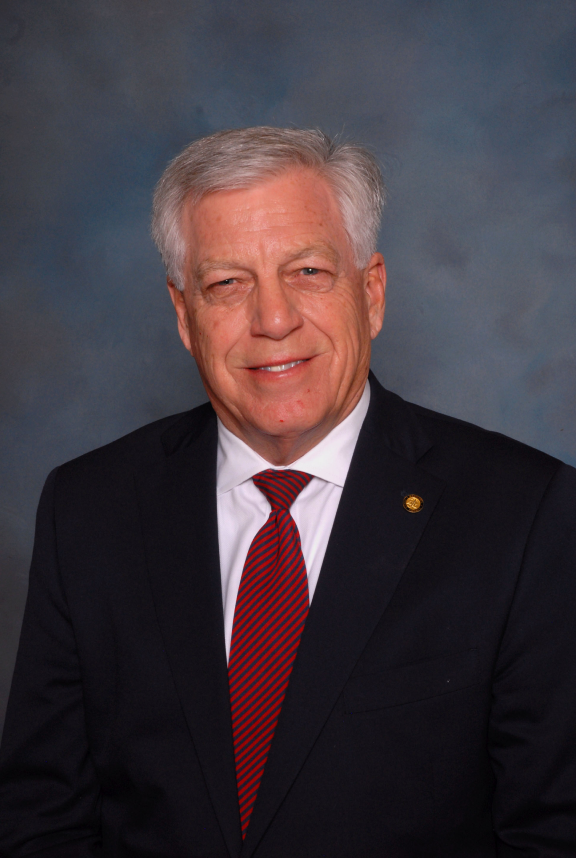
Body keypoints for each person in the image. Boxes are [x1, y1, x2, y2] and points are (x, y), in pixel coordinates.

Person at [0, 127, 575, 858]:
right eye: (227, 283)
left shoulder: (523, 514)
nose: (273, 320)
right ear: (184, 315)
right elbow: (42, 819)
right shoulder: (88, 509)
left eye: (307, 271)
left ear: (371, 293)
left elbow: (553, 831)